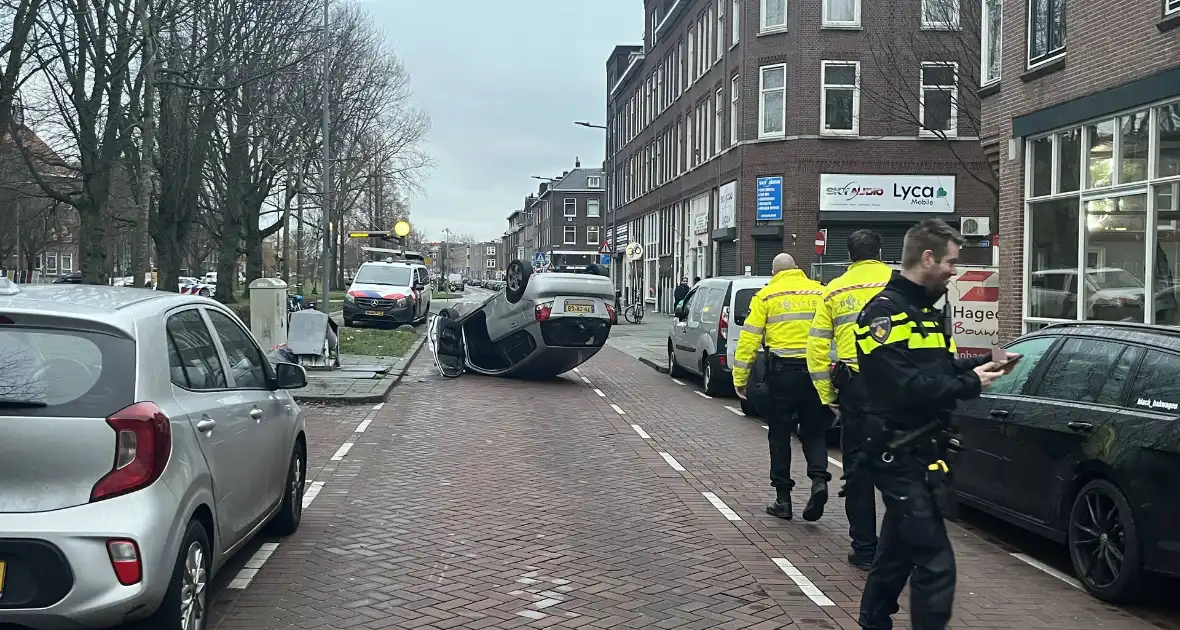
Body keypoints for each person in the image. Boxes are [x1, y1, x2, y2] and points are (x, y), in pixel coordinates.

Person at [855, 219, 1007, 630]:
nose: (954, 272)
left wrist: (981, 364)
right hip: (897, 453)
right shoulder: (880, 316)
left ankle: (872, 621)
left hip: (925, 450)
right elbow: (904, 387)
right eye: (951, 263)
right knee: (937, 564)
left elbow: (937, 368)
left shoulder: (925, 311)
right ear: (927, 258)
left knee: (898, 551)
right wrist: (969, 384)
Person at [806, 229, 893, 571]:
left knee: (859, 471)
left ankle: (865, 550)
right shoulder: (903, 284)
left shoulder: (835, 290)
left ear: (850, 255)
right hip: (900, 387)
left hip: (856, 389)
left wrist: (829, 396)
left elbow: (815, 349)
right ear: (881, 251)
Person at [733, 253, 832, 521]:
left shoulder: (766, 296)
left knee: (779, 435)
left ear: (775, 273)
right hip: (815, 372)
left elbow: (749, 340)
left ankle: (783, 500)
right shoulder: (821, 292)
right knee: (814, 431)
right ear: (797, 269)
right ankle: (819, 479)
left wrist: (740, 378)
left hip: (782, 372)